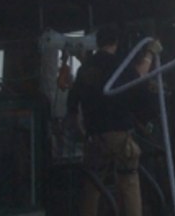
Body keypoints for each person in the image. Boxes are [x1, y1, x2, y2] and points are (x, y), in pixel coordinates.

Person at [67, 27, 156, 216]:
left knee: (93, 185)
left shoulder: (85, 68)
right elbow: (139, 82)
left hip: (94, 137)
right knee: (129, 181)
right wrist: (150, 53)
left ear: (98, 43)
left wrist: (80, 130)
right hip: (120, 136)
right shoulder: (120, 65)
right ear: (116, 43)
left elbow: (72, 104)